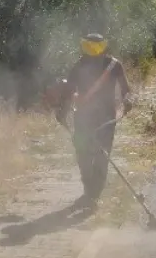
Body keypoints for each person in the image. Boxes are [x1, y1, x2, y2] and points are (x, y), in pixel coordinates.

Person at [52, 33, 134, 208]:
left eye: (96, 47)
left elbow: (126, 89)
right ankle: (88, 191)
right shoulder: (79, 66)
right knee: (83, 155)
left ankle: (94, 195)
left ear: (103, 47)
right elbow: (68, 93)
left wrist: (128, 100)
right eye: (89, 47)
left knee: (101, 157)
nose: (93, 51)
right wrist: (62, 112)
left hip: (106, 119)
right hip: (83, 118)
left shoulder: (114, 66)